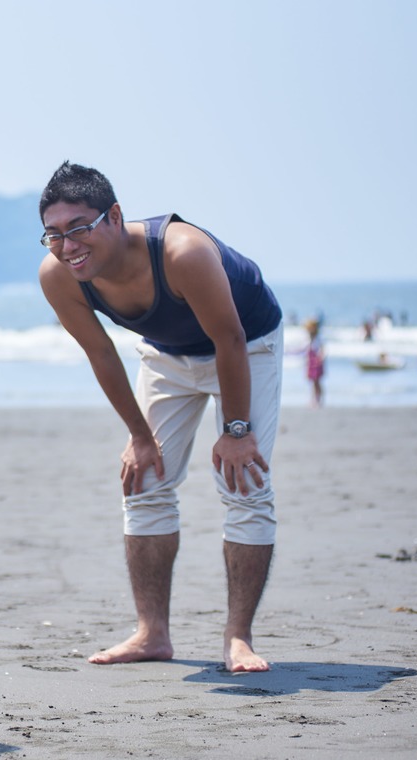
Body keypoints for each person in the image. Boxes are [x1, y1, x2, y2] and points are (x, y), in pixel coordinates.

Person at [36, 160, 283, 673]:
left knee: (244, 483)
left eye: (79, 228)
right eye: (54, 234)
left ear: (114, 216)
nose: (69, 245)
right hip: (167, 355)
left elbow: (230, 339)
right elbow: (102, 354)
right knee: (144, 479)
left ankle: (238, 638)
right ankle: (152, 633)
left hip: (246, 346)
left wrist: (238, 432)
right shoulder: (59, 276)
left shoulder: (181, 252)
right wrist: (139, 436)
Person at [303, 317, 325, 407]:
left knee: (317, 381)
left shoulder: (318, 338)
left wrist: (321, 358)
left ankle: (319, 399)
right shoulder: (310, 338)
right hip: (311, 362)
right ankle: (314, 399)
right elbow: (306, 349)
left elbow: (322, 349)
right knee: (313, 382)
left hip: (317, 362)